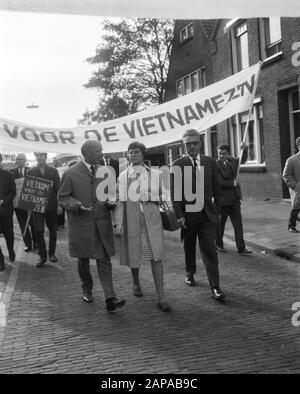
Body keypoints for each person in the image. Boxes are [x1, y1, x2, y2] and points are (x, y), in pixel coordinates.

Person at [58, 139, 125, 313]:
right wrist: (76, 204)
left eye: (101, 150)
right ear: (87, 152)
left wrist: (110, 203)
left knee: (104, 261)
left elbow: (109, 195)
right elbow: (63, 198)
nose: (102, 153)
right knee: (83, 260)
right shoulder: (70, 173)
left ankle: (110, 298)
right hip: (82, 226)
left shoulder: (104, 172)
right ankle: (86, 288)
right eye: (98, 150)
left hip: (102, 225)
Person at [114, 142, 171, 312]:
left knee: (156, 256)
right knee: (134, 254)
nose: (133, 155)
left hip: (151, 220)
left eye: (136, 152)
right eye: (130, 152)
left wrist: (147, 195)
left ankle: (161, 297)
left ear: (143, 154)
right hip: (132, 220)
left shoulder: (156, 174)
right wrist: (117, 223)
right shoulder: (123, 176)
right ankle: (136, 282)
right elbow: (120, 201)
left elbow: (165, 195)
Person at [171, 129, 225, 301]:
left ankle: (215, 286)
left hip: (208, 216)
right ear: (184, 145)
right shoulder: (178, 164)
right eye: (188, 144)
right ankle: (190, 272)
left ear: (200, 143)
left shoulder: (210, 162)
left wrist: (218, 212)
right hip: (188, 216)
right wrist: (179, 215)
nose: (191, 147)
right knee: (189, 246)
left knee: (209, 250)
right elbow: (175, 193)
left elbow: (217, 188)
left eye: (194, 143)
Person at [215, 144, 252, 255]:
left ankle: (241, 248)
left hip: (235, 198)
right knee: (221, 224)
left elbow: (242, 160)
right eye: (220, 154)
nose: (221, 156)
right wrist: (233, 183)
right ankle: (218, 245)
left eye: (224, 153)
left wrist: (244, 149)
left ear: (228, 153)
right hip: (223, 200)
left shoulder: (231, 160)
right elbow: (219, 182)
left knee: (238, 224)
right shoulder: (216, 165)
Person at [28, 152, 60, 267]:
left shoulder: (53, 171)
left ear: (46, 157)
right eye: (37, 155)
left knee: (53, 232)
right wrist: (29, 207)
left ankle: (52, 253)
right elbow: (29, 190)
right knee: (38, 231)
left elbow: (58, 189)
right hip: (37, 207)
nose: (39, 157)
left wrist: (59, 205)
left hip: (51, 206)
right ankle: (42, 256)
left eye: (41, 155)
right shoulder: (31, 172)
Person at [10, 153, 37, 252]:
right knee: (22, 225)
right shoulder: (11, 173)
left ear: (25, 160)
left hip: (30, 204)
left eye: (20, 159)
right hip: (18, 205)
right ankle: (28, 244)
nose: (17, 161)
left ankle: (36, 242)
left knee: (33, 224)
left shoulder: (31, 171)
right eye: (16, 159)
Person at [0, 153, 16, 271]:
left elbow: (13, 192)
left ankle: (11, 250)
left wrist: (3, 201)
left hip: (5, 211)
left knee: (9, 234)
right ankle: (1, 260)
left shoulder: (9, 175)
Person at [283, 136, 300, 233]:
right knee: (296, 207)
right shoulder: (291, 160)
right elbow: (286, 175)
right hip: (297, 188)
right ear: (298, 146)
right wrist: (296, 186)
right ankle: (291, 226)